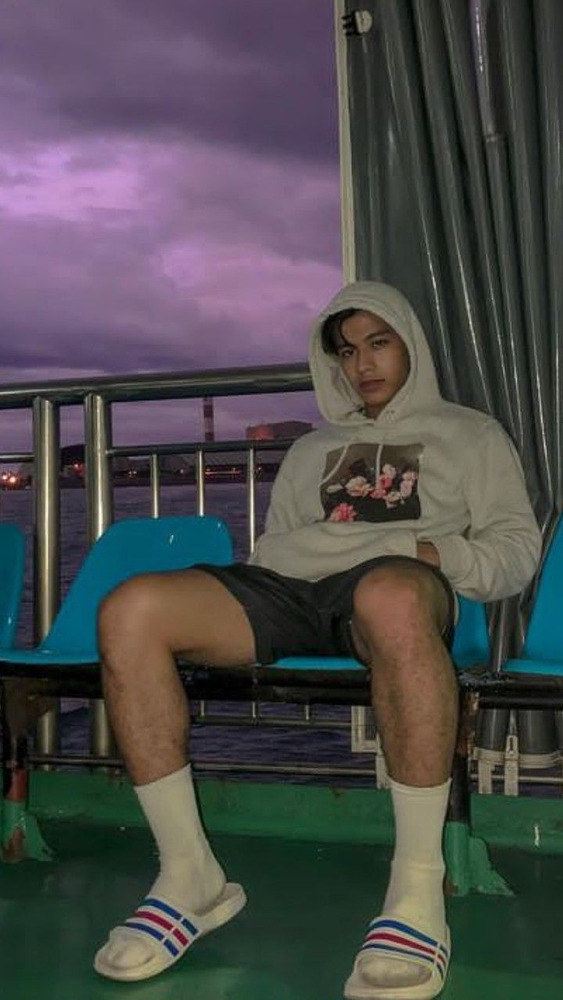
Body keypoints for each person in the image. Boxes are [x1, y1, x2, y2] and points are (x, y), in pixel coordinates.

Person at [93, 282, 541, 999]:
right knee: (130, 609)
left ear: (410, 345)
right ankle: (188, 874)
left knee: (388, 592)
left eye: (378, 343)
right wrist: (320, 552)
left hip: (401, 588)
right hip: (297, 589)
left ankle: (415, 886)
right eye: (346, 352)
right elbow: (276, 550)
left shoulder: (471, 434)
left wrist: (426, 551)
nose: (361, 364)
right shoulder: (311, 450)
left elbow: (515, 554)